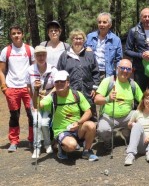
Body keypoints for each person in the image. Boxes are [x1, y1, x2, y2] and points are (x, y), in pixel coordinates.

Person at [38, 70, 99, 161]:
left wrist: (78, 122)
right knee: (72, 145)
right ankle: (61, 148)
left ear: (68, 83)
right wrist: (36, 91)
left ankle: (87, 151)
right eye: (57, 82)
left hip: (77, 127)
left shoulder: (76, 94)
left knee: (91, 125)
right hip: (61, 130)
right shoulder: (52, 97)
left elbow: (88, 112)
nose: (59, 84)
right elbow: (38, 105)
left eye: (62, 81)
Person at [94, 59, 143, 154]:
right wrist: (108, 98)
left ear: (131, 71)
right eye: (122, 68)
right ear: (117, 68)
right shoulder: (108, 81)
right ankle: (108, 142)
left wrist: (139, 111)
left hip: (127, 116)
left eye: (128, 69)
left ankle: (128, 134)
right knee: (103, 129)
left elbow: (143, 100)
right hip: (109, 116)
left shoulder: (132, 84)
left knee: (141, 118)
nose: (125, 71)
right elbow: (96, 99)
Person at [0, 24, 35, 152]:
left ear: (22, 34)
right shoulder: (6, 51)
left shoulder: (29, 49)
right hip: (12, 87)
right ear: (11, 35)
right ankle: (14, 141)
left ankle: (32, 139)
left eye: (18, 33)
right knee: (14, 115)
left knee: (31, 114)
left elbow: (34, 68)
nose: (16, 35)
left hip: (27, 88)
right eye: (14, 33)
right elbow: (1, 71)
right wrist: (4, 87)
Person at [57, 29, 100, 121]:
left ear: (84, 40)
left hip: (88, 92)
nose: (78, 41)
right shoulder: (65, 56)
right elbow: (59, 74)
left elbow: (95, 71)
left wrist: (95, 87)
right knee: (73, 116)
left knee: (90, 116)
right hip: (71, 91)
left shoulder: (89, 54)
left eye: (80, 39)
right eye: (75, 38)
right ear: (71, 40)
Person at [26, 45, 58, 158]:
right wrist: (34, 96)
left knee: (44, 123)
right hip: (35, 99)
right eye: (38, 55)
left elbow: (57, 86)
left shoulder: (53, 69)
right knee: (36, 122)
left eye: (43, 55)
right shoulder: (30, 70)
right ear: (35, 56)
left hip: (48, 100)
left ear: (46, 56)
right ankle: (36, 147)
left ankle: (47, 144)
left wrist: (48, 96)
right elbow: (28, 86)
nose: (41, 57)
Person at [125, 8, 149, 91]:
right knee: (139, 94)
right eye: (144, 16)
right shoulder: (133, 31)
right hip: (140, 69)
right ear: (141, 18)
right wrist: (140, 55)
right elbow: (127, 50)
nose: (147, 19)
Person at [86, 12, 123, 79]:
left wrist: (118, 75)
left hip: (107, 73)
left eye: (104, 22)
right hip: (91, 72)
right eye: (99, 22)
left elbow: (118, 60)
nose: (101, 24)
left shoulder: (116, 40)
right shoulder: (90, 37)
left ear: (110, 25)